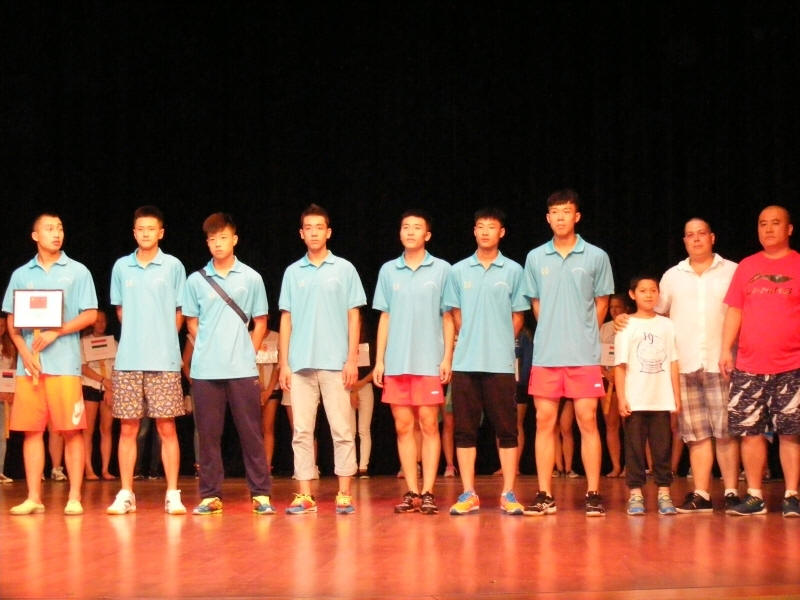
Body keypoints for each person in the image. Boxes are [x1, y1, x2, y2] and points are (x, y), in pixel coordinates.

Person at [523, 189, 614, 516]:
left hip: (583, 355)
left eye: (566, 212)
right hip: (547, 354)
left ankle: (593, 492)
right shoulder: (535, 257)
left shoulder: (596, 256)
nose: (560, 217)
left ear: (577, 216)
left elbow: (602, 302)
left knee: (587, 419)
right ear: (548, 218)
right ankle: (544, 493)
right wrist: (553, 329)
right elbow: (535, 303)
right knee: (543, 421)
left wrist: (583, 333)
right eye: (555, 212)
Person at [2, 212, 98, 515]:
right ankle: (34, 497)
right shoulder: (21, 274)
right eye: (49, 229)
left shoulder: (78, 271)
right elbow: (12, 321)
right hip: (30, 368)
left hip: (65, 365)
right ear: (35, 236)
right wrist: (23, 350)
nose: (56, 233)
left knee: (71, 430)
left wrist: (58, 331)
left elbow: (90, 314)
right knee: (31, 431)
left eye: (60, 228)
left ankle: (74, 496)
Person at [182, 212, 274, 515]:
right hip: (205, 370)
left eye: (223, 237)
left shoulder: (251, 277)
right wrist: (209, 345)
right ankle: (210, 495)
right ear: (207, 243)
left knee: (251, 432)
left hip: (242, 369)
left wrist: (247, 351)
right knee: (208, 436)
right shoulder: (195, 280)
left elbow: (261, 322)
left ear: (234, 239)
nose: (218, 243)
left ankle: (261, 494)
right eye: (212, 239)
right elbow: (191, 322)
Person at [279, 203, 366, 515]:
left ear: (328, 232)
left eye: (319, 227)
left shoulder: (344, 269)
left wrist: (351, 359)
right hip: (300, 363)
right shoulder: (292, 272)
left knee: (341, 429)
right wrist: (284, 363)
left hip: (335, 362)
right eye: (309, 228)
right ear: (301, 234)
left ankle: (344, 493)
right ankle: (305, 494)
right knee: (302, 431)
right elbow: (286, 319)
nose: (314, 233)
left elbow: (354, 316)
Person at [444, 207, 528, 515]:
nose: (485, 232)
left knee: (507, 429)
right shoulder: (458, 271)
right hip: (465, 362)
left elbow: (518, 314)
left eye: (491, 227)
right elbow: (454, 312)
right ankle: (468, 492)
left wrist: (500, 340)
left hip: (500, 364)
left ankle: (508, 492)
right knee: (465, 430)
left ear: (501, 233)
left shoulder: (514, 271)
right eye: (480, 226)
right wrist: (471, 336)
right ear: (474, 231)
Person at [653, 218, 740, 512]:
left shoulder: (732, 271)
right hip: (686, 363)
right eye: (690, 235)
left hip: (722, 362)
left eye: (701, 233)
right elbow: (656, 314)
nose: (696, 239)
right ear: (684, 241)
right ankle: (701, 493)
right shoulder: (672, 276)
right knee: (696, 434)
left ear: (712, 237)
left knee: (726, 432)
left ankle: (731, 492)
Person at [107, 206, 187, 515]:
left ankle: (172, 493)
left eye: (151, 229)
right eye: (140, 229)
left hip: (164, 360)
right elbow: (120, 310)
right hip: (129, 360)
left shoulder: (173, 266)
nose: (145, 233)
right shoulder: (121, 267)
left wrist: (164, 340)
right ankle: (126, 492)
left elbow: (180, 311)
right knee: (128, 428)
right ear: (134, 232)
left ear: (161, 232)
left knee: (167, 427)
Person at [721, 205, 800, 516]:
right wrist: (725, 349)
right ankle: (754, 495)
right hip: (749, 364)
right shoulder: (747, 266)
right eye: (762, 223)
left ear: (789, 229)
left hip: (792, 363)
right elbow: (735, 310)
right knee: (749, 432)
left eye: (775, 223)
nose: (768, 229)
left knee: (791, 432)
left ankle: (792, 495)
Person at [373, 210, 454, 514]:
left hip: (429, 361)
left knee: (429, 423)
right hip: (397, 361)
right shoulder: (388, 270)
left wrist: (447, 357)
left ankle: (429, 491)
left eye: (417, 227)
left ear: (427, 235)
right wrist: (380, 360)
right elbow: (385, 316)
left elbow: (448, 316)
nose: (410, 231)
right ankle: (411, 491)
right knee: (403, 426)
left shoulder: (442, 269)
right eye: (405, 227)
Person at [615, 276, 681, 515]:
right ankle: (635, 494)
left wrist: (676, 396)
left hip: (661, 398)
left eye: (653, 290)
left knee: (662, 448)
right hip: (635, 399)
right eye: (643, 291)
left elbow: (673, 362)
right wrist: (621, 398)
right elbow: (620, 365)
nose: (649, 294)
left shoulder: (667, 325)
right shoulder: (626, 325)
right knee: (634, 448)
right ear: (632, 295)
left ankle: (664, 493)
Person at [80, 309, 116, 480]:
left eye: (103, 321)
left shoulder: (112, 343)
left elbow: (117, 367)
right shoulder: (83, 342)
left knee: (106, 429)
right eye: (97, 321)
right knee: (88, 430)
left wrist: (109, 387)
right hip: (91, 386)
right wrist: (102, 380)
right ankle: (88, 468)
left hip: (109, 389)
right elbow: (82, 367)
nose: (101, 324)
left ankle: (105, 469)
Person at [600, 293, 627, 478]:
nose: (614, 310)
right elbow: (597, 354)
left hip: (627, 379)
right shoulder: (604, 328)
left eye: (618, 306)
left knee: (629, 426)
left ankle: (630, 466)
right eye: (611, 307)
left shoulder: (631, 324)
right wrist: (605, 372)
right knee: (611, 425)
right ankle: (616, 466)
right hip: (608, 379)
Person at [351, 311, 374, 478]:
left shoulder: (369, 343)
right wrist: (352, 389)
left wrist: (362, 382)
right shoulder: (344, 343)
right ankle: (351, 465)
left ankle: (363, 466)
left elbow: (376, 367)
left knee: (364, 429)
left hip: (365, 386)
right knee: (349, 430)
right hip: (348, 388)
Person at [0, 316, 17, 483]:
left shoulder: (10, 346)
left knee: (2, 435)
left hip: (5, 395)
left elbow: (13, 371)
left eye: (3, 326)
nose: (1, 328)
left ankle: (0, 470)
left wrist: (11, 392)